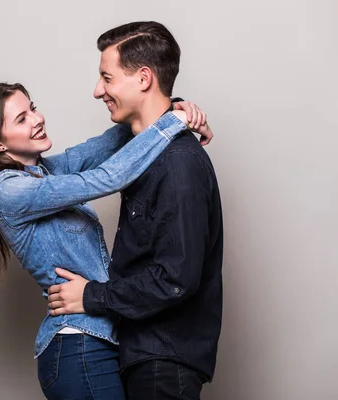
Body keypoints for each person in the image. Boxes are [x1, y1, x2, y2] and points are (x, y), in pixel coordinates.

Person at [0, 81, 212, 399]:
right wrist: (172, 124)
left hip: (97, 342)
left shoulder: (47, 172)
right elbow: (107, 177)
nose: (37, 119)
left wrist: (171, 107)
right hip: (77, 348)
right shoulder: (7, 191)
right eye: (21, 119)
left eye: (32, 108)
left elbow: (105, 144)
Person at [47, 21, 223, 400]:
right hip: (144, 354)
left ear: (143, 78)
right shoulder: (144, 152)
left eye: (106, 78)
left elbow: (175, 278)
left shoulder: (178, 164)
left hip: (163, 361)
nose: (98, 91)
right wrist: (178, 110)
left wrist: (91, 296)